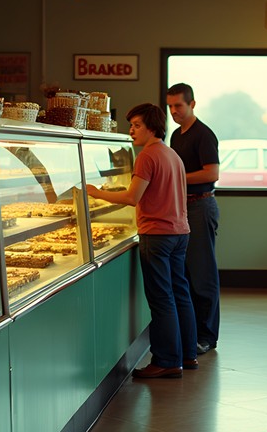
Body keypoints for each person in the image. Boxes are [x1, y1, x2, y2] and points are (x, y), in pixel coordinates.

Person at [87, 103, 198, 379]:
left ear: (152, 126)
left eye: (136, 125)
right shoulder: (172, 154)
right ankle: (188, 354)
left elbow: (131, 197)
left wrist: (97, 193)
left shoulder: (147, 156)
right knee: (180, 294)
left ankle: (167, 360)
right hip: (179, 232)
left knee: (162, 299)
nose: (131, 130)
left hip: (157, 235)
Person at [166, 83, 221, 355]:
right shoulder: (176, 135)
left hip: (201, 206)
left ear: (192, 105)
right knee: (187, 273)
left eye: (179, 105)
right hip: (183, 207)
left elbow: (212, 173)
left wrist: (176, 178)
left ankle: (207, 336)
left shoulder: (203, 134)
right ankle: (191, 332)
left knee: (202, 273)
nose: (174, 111)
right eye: (171, 106)